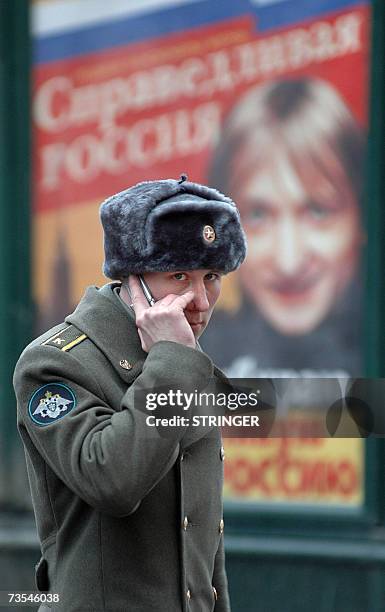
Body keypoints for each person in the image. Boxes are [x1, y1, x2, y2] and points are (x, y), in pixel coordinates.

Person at [13, 176, 246, 611]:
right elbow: (113, 483)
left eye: (211, 276)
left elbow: (203, 540)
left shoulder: (182, 363)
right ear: (132, 281)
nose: (200, 300)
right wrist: (170, 362)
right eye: (179, 276)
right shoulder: (54, 361)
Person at [201, 77, 365, 377]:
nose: (288, 261)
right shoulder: (188, 358)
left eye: (318, 211)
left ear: (363, 218)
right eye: (258, 216)